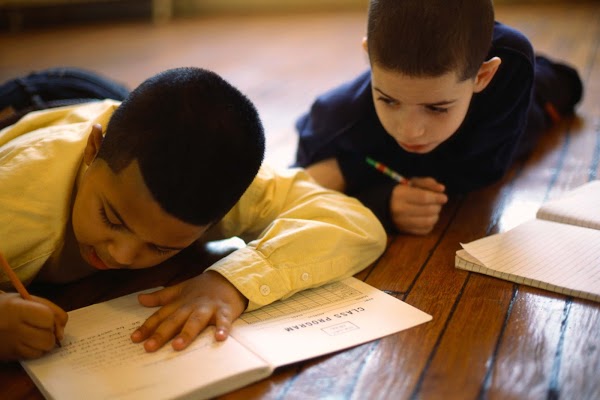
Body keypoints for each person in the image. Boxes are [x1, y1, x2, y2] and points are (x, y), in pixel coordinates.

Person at [0, 67, 387, 361]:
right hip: (28, 105)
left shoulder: (215, 184)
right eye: (112, 219)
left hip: (115, 108)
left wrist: (233, 282)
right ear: (93, 151)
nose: (121, 255)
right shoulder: (15, 201)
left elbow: (353, 222)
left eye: (161, 247)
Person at [294, 0, 583, 235]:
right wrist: (381, 203)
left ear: (483, 76)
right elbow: (291, 194)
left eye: (436, 108)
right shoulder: (333, 122)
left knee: (569, 87)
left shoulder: (512, 65)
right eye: (388, 99)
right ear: (369, 56)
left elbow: (481, 171)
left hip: (535, 97)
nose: (409, 132)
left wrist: (353, 173)